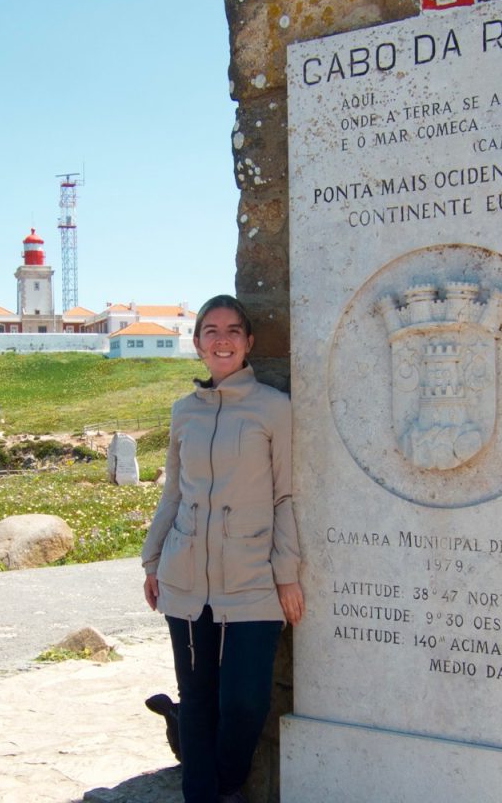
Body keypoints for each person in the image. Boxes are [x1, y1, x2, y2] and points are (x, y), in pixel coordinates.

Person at [142, 295, 304, 803]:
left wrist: (288, 573)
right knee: (197, 700)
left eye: (233, 330)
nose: (222, 339)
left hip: (253, 580)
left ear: (249, 342)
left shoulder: (274, 409)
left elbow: (286, 495)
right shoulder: (182, 412)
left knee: (244, 703)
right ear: (196, 345)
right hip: (184, 577)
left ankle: (227, 784)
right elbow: (173, 492)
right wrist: (152, 560)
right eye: (210, 331)